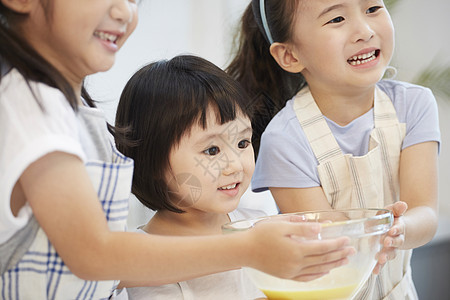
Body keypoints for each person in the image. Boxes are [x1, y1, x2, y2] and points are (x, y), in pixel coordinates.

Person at [0, 1, 354, 299]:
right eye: (211, 151)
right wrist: (250, 250)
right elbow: (93, 253)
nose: (126, 12)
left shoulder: (65, 107)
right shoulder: (28, 106)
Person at [227, 0, 440, 299]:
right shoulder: (285, 139)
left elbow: (426, 213)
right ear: (289, 55)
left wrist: (401, 230)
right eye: (337, 18)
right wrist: (378, 232)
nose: (364, 31)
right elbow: (330, 249)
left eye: (373, 9)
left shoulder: (415, 105)